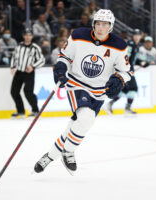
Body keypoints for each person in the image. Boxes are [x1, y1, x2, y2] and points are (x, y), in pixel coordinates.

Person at [33, 9, 131, 174]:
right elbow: (64, 56)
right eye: (98, 23)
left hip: (99, 92)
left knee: (77, 126)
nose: (100, 28)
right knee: (86, 118)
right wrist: (60, 69)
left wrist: (120, 79)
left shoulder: (119, 45)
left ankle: (49, 156)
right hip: (76, 84)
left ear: (111, 26)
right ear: (93, 24)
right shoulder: (78, 35)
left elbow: (127, 71)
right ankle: (69, 152)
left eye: (105, 24)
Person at [104, 29, 142, 115]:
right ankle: (126, 108)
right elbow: (126, 58)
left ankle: (110, 104)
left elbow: (132, 59)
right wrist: (127, 70)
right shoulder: (131, 45)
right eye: (135, 35)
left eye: (138, 35)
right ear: (132, 36)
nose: (136, 37)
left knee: (124, 91)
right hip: (127, 71)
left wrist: (142, 62)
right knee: (133, 89)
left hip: (127, 71)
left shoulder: (135, 45)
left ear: (140, 36)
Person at [10, 29, 45, 118]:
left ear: (32, 36)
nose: (28, 37)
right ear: (23, 36)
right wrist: (12, 67)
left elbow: (41, 60)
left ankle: (35, 110)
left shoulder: (35, 47)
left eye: (29, 35)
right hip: (19, 71)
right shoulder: (19, 46)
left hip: (29, 73)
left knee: (28, 92)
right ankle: (21, 111)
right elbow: (14, 57)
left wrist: (33, 66)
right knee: (14, 92)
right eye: (26, 35)